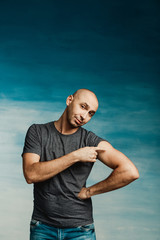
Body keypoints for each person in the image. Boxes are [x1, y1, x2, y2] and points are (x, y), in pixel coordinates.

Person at [22, 88, 139, 240]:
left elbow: (130, 171)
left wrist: (89, 191)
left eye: (91, 113)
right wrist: (75, 156)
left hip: (80, 230)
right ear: (69, 100)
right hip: (42, 227)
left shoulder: (90, 141)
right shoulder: (38, 132)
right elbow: (31, 174)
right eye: (83, 107)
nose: (84, 116)